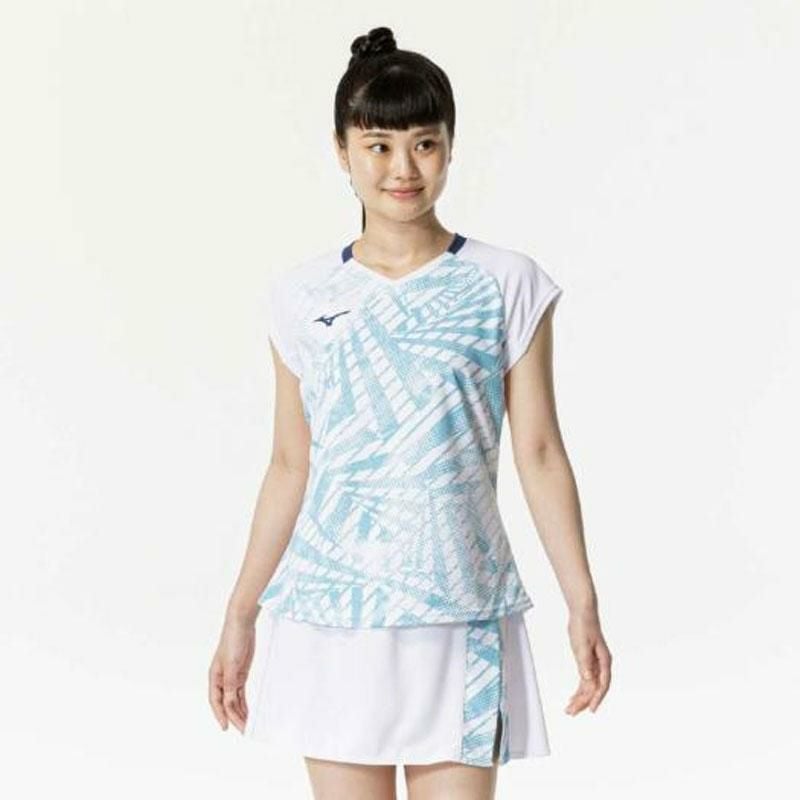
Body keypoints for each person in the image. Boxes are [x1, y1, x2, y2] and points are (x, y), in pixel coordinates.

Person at [209, 25, 612, 800]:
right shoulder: (301, 297)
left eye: (425, 144)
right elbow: (290, 464)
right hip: (332, 620)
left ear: (450, 149)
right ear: (342, 152)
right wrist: (240, 614)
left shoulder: (506, 283)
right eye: (379, 146)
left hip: (460, 616)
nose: (403, 168)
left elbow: (538, 453)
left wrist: (581, 601)